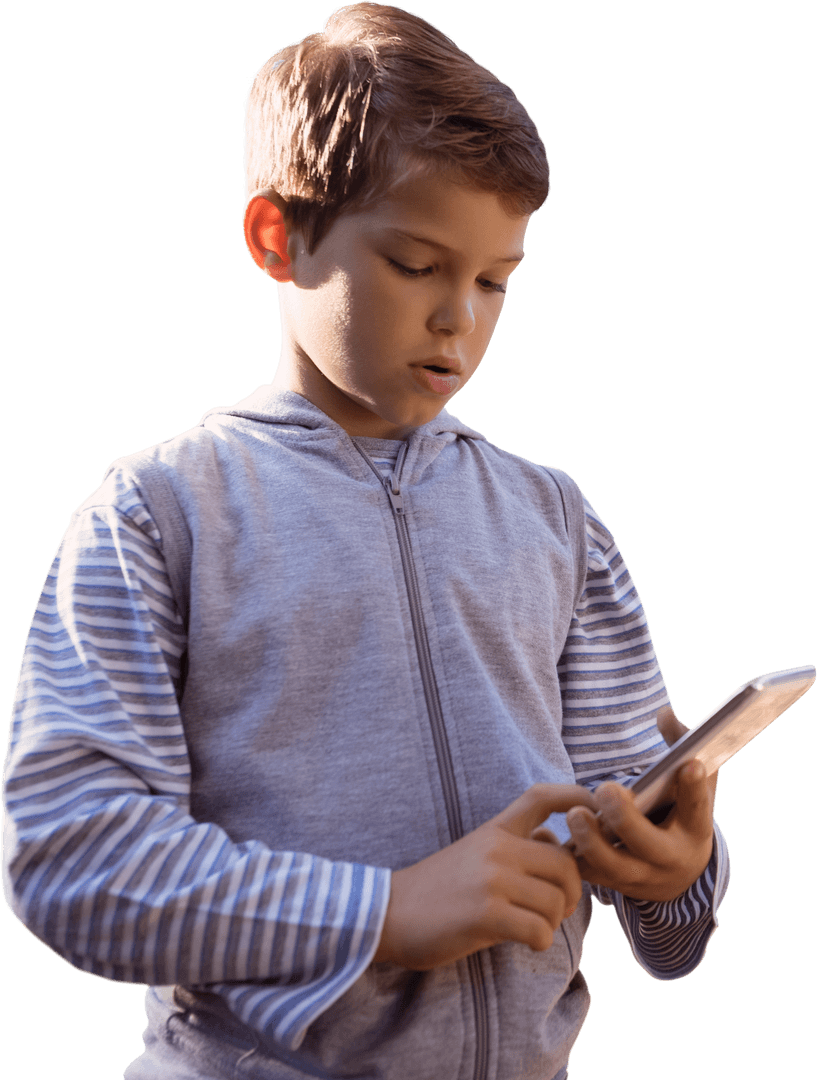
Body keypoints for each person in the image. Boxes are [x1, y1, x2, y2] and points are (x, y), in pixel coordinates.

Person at [2, 5, 728, 1078]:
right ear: (276, 238)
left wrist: (678, 872)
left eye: (493, 280)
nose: (460, 321)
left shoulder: (556, 519)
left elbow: (639, 850)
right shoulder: (155, 514)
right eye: (416, 264)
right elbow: (73, 863)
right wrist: (382, 911)